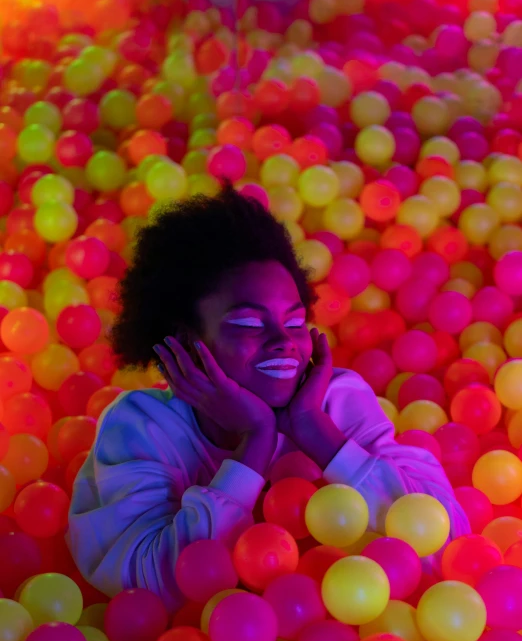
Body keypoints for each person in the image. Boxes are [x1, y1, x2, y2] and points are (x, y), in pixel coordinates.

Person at [67, 185, 470, 611]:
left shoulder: (335, 400)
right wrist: (255, 440)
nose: (284, 342)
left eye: (294, 322)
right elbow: (148, 593)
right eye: (247, 324)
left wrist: (317, 432)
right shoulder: (141, 426)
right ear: (185, 341)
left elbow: (443, 543)